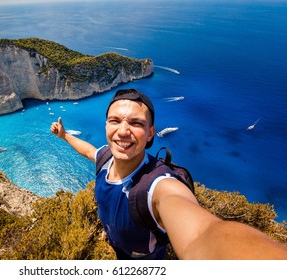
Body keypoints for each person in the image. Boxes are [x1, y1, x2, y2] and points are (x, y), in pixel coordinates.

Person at [50, 88, 287, 260]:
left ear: (151, 133)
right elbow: (89, 150)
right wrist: (65, 136)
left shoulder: (157, 186)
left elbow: (202, 234)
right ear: (106, 126)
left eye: (136, 123)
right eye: (115, 121)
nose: (123, 131)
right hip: (116, 243)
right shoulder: (105, 158)